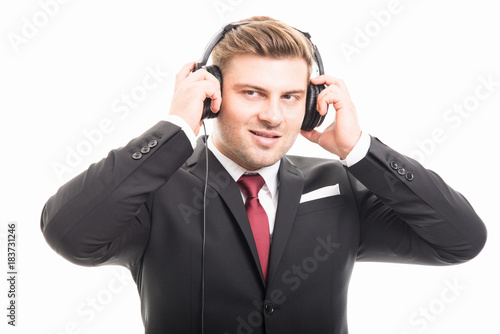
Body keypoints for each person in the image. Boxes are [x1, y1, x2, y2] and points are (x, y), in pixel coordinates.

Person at [40, 16, 487, 334]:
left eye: (291, 97)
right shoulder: (154, 189)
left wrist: (360, 152)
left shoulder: (338, 185)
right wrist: (176, 128)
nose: (273, 115)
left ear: (312, 105)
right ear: (211, 95)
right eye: (252, 93)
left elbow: (461, 239)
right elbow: (69, 233)